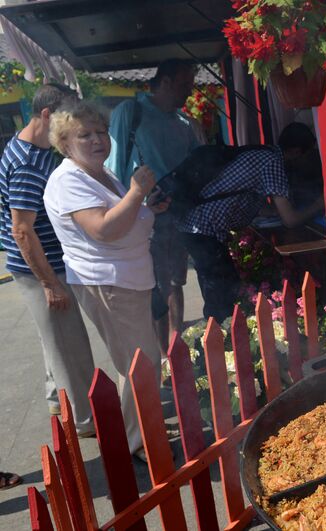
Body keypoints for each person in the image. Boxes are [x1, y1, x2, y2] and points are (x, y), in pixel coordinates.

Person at [44, 101, 169, 459]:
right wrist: (136, 193)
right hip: (110, 282)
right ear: (65, 142)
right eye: (85, 135)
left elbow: (121, 216)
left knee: (140, 361)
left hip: (128, 277)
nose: (98, 140)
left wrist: (146, 207)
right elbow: (103, 229)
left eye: (101, 132)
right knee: (138, 363)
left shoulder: (99, 173)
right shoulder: (68, 180)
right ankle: (140, 441)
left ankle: (142, 429)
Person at [0, 83, 96, 436]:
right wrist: (50, 284)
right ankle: (87, 420)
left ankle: (57, 398)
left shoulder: (33, 148)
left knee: (53, 340)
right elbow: (22, 231)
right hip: (41, 269)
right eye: (66, 118)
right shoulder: (27, 162)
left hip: (43, 266)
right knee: (70, 346)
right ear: (46, 115)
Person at [106, 59, 200, 356]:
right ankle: (160, 355)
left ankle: (176, 346)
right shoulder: (131, 113)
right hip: (143, 217)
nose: (189, 92)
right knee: (152, 285)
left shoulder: (184, 124)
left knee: (175, 280)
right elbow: (114, 167)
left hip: (177, 214)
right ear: (167, 82)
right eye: (185, 85)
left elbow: (195, 168)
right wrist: (130, 205)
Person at [168, 145, 324, 323]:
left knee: (217, 287)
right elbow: (290, 219)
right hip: (203, 230)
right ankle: (222, 337)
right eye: (310, 155)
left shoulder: (260, 154)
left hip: (193, 226)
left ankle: (220, 333)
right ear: (297, 150)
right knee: (222, 292)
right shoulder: (271, 161)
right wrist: (320, 204)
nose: (311, 163)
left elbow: (240, 197)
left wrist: (275, 211)